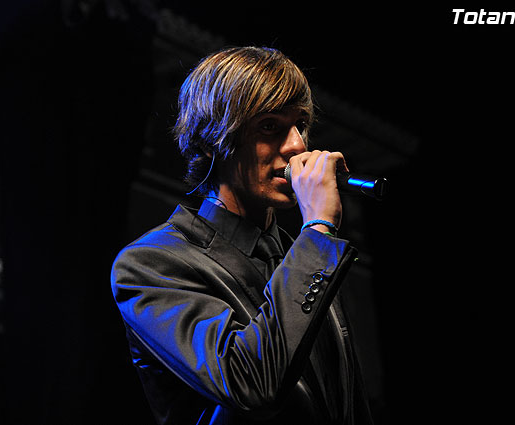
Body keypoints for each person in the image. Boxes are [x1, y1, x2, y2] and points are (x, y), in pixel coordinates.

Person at [111, 46, 374, 425]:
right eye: (269, 126)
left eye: (300, 124)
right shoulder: (151, 264)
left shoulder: (304, 257)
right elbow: (251, 384)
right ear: (210, 141)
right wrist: (318, 228)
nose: (297, 145)